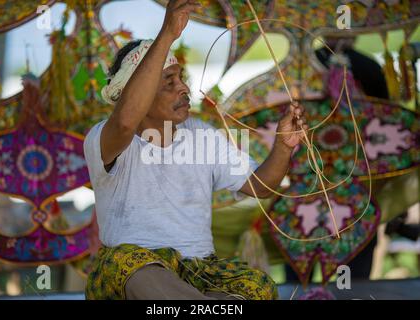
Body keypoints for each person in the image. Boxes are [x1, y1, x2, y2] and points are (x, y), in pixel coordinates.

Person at [83, 0, 307, 300]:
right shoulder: (104, 138)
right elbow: (124, 123)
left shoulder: (202, 135)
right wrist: (166, 35)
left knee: (258, 288)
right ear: (139, 94)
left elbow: (260, 185)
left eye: (181, 79)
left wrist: (283, 147)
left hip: (199, 271)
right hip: (137, 271)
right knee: (126, 263)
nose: (184, 89)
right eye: (168, 82)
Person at [284, 35, 389, 283]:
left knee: (300, 281)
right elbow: (386, 124)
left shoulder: (300, 65)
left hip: (318, 195)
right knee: (350, 283)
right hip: (351, 193)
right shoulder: (369, 66)